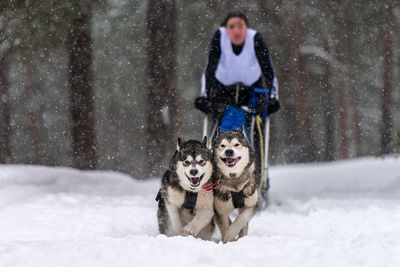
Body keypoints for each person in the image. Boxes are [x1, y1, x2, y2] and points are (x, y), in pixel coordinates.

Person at [195, 11, 280, 188]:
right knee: (218, 134)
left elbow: (268, 70)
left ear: (246, 28)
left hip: (251, 92)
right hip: (223, 91)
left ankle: (257, 181)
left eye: (240, 26)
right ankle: (214, 180)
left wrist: (273, 98)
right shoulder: (220, 38)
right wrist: (204, 96)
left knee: (256, 133)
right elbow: (209, 68)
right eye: (231, 27)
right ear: (226, 29)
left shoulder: (254, 39)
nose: (236, 31)